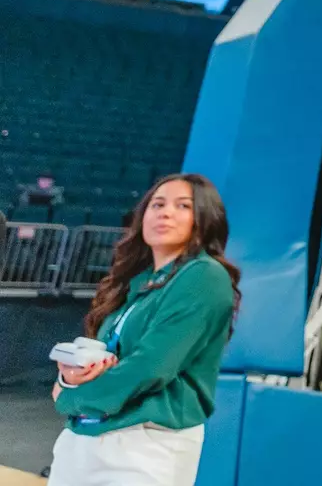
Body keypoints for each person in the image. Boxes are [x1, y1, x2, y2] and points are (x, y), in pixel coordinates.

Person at [48, 173, 240, 486]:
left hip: (147, 444)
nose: (165, 212)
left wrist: (71, 398)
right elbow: (108, 357)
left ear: (205, 219)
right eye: (157, 204)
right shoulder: (137, 281)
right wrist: (69, 378)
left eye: (183, 206)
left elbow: (151, 366)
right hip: (86, 435)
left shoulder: (204, 274)